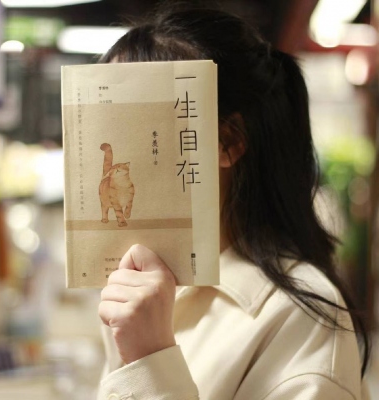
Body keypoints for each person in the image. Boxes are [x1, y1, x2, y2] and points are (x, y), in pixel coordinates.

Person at [97, 5, 370, 400]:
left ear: (227, 140)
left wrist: (150, 357)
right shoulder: (156, 286)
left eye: (139, 121)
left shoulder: (305, 317)